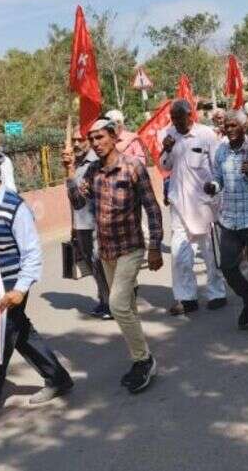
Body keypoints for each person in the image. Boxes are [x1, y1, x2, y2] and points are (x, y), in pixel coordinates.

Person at [0, 147, 73, 452]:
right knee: (21, 333)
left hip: (9, 287)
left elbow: (31, 253)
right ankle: (58, 378)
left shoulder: (14, 207)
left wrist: (20, 290)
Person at [66, 118, 164, 394]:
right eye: (92, 139)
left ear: (113, 137)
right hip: (106, 250)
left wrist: (155, 246)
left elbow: (152, 208)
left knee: (117, 304)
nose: (95, 143)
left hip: (131, 247)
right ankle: (140, 355)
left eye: (100, 137)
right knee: (127, 307)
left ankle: (143, 360)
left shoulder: (133, 167)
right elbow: (78, 203)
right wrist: (70, 174)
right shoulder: (92, 171)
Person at [204, 109, 248, 335]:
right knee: (227, 267)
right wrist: (213, 186)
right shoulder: (222, 151)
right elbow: (219, 178)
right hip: (230, 220)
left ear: (244, 127)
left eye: (233, 125)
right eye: (226, 125)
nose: (229, 129)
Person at [159, 99, 227, 315]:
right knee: (180, 254)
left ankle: (217, 293)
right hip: (179, 204)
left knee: (210, 252)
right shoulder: (169, 135)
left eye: (179, 118)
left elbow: (219, 166)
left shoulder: (206, 135)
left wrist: (216, 189)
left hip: (205, 204)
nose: (176, 122)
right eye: (173, 118)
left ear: (190, 116)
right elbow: (164, 166)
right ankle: (186, 298)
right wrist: (166, 150)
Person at [64, 126, 111, 319]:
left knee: (99, 260)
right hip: (81, 221)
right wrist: (73, 225)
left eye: (80, 139)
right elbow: (74, 198)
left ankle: (112, 302)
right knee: (90, 262)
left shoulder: (97, 161)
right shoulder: (74, 163)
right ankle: (105, 299)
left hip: (97, 221)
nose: (76, 143)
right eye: (73, 140)